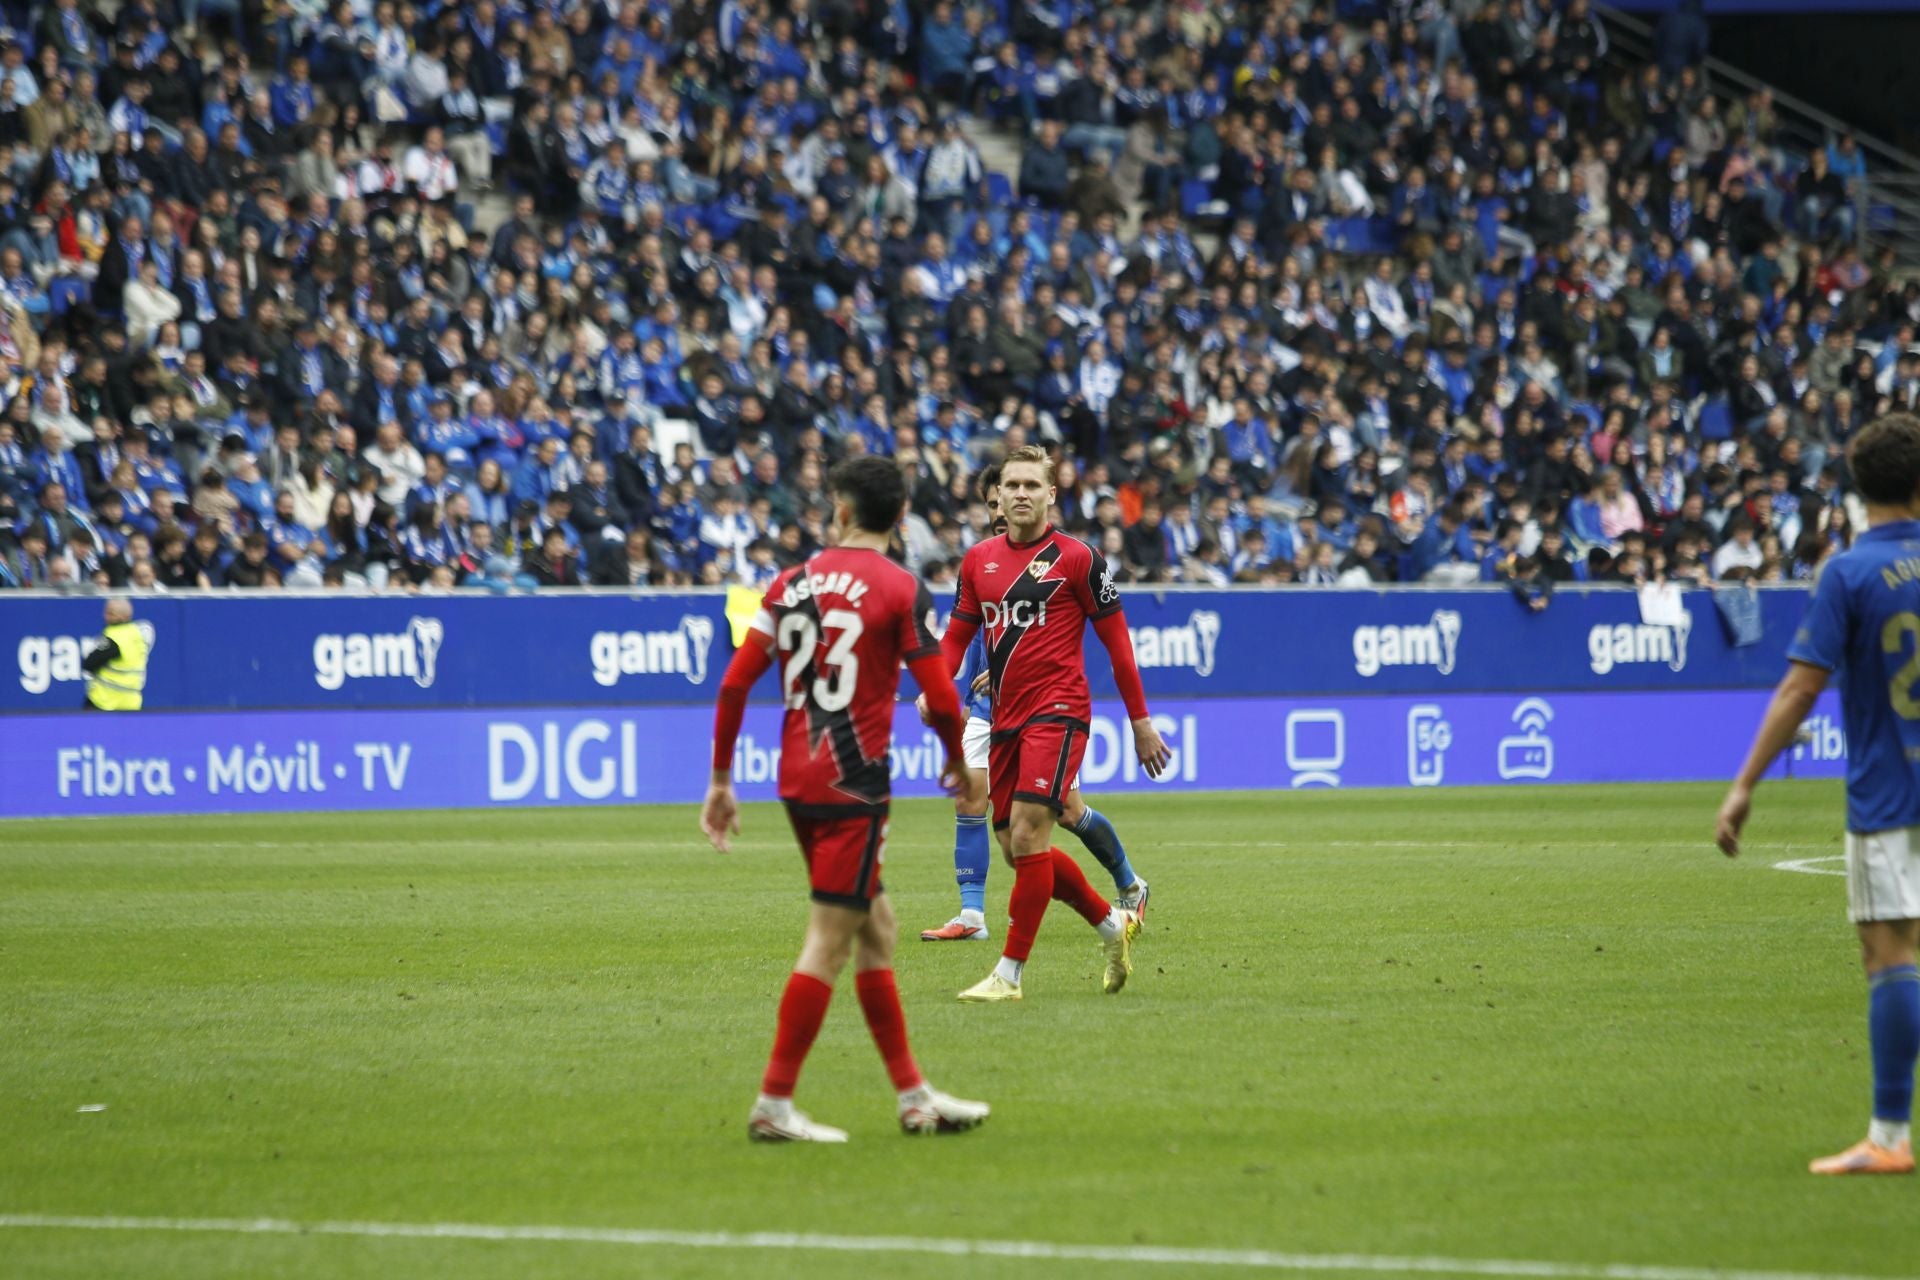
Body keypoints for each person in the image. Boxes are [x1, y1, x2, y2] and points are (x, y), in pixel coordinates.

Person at [700, 456, 989, 1144]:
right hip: (854, 784)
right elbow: (942, 694)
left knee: (877, 928)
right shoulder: (899, 585)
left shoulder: (790, 581)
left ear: (839, 510)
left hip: (797, 778)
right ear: (902, 516)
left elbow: (737, 684)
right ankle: (773, 1102)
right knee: (829, 942)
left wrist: (719, 780)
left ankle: (914, 1097)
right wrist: (955, 759)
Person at [1716, 411, 1920, 1175]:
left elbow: (1801, 688)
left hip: (1890, 794)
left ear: (1859, 490)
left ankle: (1890, 1139)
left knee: (1891, 954)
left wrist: (1743, 786)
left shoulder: (1850, 573)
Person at [938, 445, 1170, 1003]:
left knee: (1028, 831)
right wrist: (936, 689)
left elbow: (1119, 647)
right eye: (1011, 485)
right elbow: (956, 639)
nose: (1020, 494)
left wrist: (1141, 723)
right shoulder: (978, 561)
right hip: (1006, 720)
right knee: (1019, 852)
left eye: (1031, 485)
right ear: (1000, 494)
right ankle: (1111, 925)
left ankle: (1009, 975)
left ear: (1051, 495)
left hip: (1060, 711)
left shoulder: (1080, 559)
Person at [80, 596, 154, 711]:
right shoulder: (137, 633)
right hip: (131, 703)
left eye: (110, 613)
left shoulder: (114, 638)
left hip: (104, 701)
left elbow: (89, 663)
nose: (105, 616)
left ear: (124, 616)